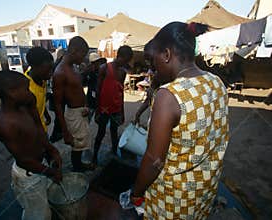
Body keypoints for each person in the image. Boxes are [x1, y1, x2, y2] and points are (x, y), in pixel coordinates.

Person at [131, 22, 229, 219]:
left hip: (173, 201)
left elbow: (154, 160)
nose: (153, 68)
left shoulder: (168, 96)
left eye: (155, 60)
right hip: (204, 192)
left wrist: (137, 192)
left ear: (167, 55)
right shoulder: (216, 82)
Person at [0, 70, 62, 220]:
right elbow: (24, 160)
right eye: (25, 88)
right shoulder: (5, 124)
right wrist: (50, 172)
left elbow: (38, 127)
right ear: (11, 92)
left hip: (41, 165)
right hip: (29, 174)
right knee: (38, 214)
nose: (30, 92)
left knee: (45, 206)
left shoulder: (26, 102)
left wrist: (51, 149)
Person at [53, 36, 95, 172]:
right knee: (76, 144)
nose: (84, 58)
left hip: (81, 112)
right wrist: (64, 131)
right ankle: (77, 168)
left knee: (81, 144)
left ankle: (79, 165)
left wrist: (86, 105)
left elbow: (79, 91)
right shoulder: (60, 72)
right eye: (83, 54)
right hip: (73, 114)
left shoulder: (74, 68)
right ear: (75, 51)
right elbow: (57, 104)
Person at [92, 45, 133, 165]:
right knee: (101, 132)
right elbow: (98, 90)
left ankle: (114, 153)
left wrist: (122, 111)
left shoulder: (122, 72)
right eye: (126, 60)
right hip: (104, 108)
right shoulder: (104, 68)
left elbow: (121, 93)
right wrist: (97, 110)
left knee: (114, 131)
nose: (127, 63)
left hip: (116, 107)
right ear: (122, 57)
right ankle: (95, 156)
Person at [24, 47, 54, 133]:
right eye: (48, 69)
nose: (51, 73)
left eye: (52, 69)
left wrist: (47, 116)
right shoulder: (26, 89)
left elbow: (40, 102)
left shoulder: (41, 80)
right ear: (35, 67)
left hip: (43, 129)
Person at [134, 40, 160, 125]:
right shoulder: (156, 77)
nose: (149, 64)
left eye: (150, 60)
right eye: (147, 61)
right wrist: (138, 113)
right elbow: (149, 99)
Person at [82, 52, 107, 122]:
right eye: (94, 62)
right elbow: (83, 83)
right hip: (91, 100)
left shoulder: (102, 71)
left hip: (100, 99)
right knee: (87, 120)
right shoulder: (89, 72)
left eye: (98, 62)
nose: (97, 64)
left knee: (101, 121)